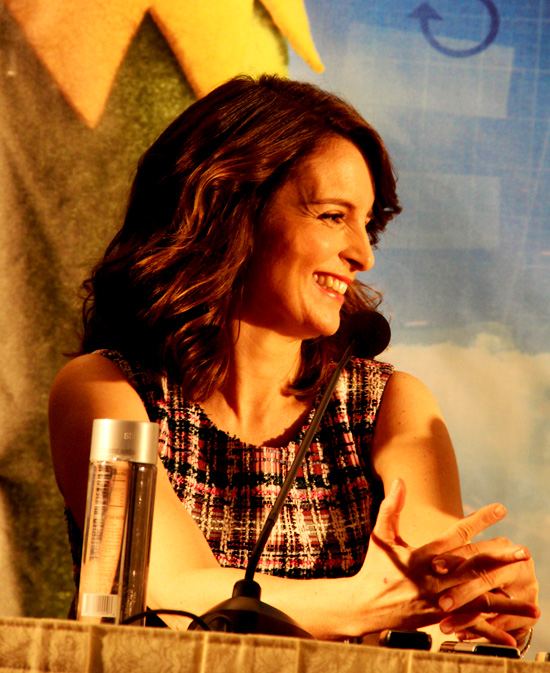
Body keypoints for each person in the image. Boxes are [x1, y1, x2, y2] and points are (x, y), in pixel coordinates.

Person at [49, 74, 539, 648]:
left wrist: (474, 597)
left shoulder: (389, 403)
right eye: (333, 216)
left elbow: (426, 585)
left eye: (367, 225)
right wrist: (370, 603)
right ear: (228, 208)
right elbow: (170, 589)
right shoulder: (106, 387)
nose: (363, 254)